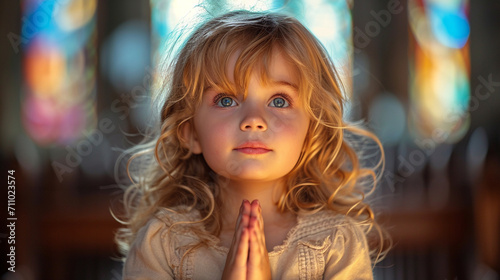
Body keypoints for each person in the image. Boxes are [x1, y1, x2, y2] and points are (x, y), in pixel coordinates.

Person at [115, 10, 390, 280]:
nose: (254, 120)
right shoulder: (160, 244)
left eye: (279, 101)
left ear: (311, 132)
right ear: (190, 133)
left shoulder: (338, 244)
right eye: (226, 100)